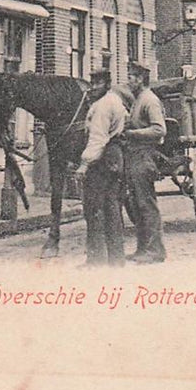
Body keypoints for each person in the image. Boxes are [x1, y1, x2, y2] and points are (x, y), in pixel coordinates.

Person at [77, 69, 134, 267]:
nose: (93, 87)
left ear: (107, 84)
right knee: (113, 209)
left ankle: (96, 260)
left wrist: (84, 164)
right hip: (115, 159)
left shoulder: (102, 106)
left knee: (94, 209)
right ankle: (116, 260)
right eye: (92, 83)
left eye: (97, 84)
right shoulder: (115, 102)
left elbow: (98, 138)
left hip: (102, 160)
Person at [122, 63, 168, 264]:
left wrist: (131, 133)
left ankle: (155, 250)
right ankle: (142, 249)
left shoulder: (149, 100)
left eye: (131, 77)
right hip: (135, 156)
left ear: (141, 79)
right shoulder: (137, 100)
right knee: (136, 204)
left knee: (146, 204)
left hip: (145, 156)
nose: (128, 81)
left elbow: (159, 130)